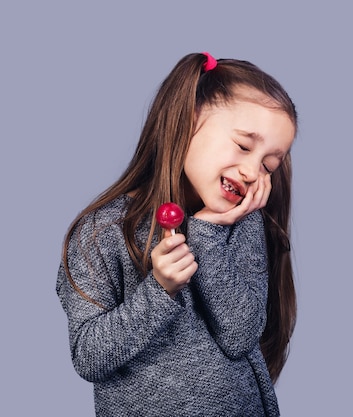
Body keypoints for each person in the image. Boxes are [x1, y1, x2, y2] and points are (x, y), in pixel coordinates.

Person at [56, 52, 297, 417]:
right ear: (189, 119)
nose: (251, 170)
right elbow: (89, 356)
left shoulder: (242, 223)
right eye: (244, 146)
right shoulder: (101, 232)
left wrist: (207, 234)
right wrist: (159, 290)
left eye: (268, 165)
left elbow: (240, 336)